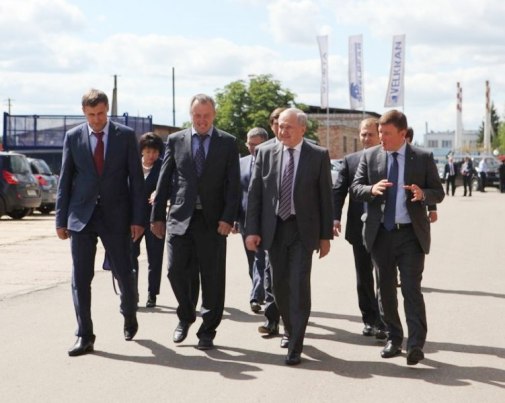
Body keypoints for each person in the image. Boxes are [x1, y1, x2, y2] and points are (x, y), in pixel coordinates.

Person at [350, 109, 444, 366]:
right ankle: (394, 337)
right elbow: (355, 188)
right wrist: (372, 189)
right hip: (380, 234)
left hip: (411, 235)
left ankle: (415, 345)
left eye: (387, 133)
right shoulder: (370, 156)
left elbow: (438, 191)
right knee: (386, 289)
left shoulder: (422, 158)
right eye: (380, 133)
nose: (382, 138)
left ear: (403, 134)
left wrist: (423, 194)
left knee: (411, 289)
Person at [56, 88, 145, 356]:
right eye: (91, 114)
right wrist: (61, 219)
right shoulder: (73, 137)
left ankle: (129, 312)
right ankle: (84, 335)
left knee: (124, 272)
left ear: (108, 110)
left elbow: (136, 180)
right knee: (80, 278)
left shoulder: (125, 136)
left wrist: (138, 218)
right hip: (81, 216)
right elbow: (65, 179)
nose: (97, 119)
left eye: (101, 113)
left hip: (116, 216)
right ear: (84, 112)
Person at [151, 94, 240, 351]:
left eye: (206, 116)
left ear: (214, 115)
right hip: (180, 218)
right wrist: (157, 216)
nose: (201, 121)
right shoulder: (176, 140)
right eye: (197, 116)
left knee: (212, 277)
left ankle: (207, 330)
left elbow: (233, 185)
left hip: (213, 221)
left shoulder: (227, 142)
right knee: (175, 270)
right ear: (191, 115)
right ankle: (186, 314)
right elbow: (164, 179)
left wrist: (228, 218)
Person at [245, 107, 333, 366]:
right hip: (275, 229)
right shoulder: (265, 152)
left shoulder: (317, 155)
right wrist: (252, 230)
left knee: (298, 284)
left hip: (302, 230)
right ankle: (289, 327)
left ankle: (295, 343)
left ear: (302, 129)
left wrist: (325, 236)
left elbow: (325, 199)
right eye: (280, 126)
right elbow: (255, 194)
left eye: (288, 127)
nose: (282, 131)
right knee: (278, 286)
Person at [333, 118, 386, 339]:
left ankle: (384, 321)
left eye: (370, 134)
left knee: (384, 277)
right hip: (359, 229)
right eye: (363, 134)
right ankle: (369, 320)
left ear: (379, 135)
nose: (366, 138)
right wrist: (334, 218)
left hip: (384, 229)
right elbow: (338, 191)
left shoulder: (388, 159)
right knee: (363, 277)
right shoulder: (351, 160)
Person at [235, 127, 269, 313]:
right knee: (252, 261)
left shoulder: (273, 161)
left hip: (267, 219)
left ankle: (255, 296)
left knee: (261, 258)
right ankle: (261, 291)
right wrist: (234, 218)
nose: (253, 148)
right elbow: (235, 192)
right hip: (245, 219)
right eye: (250, 144)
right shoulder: (241, 163)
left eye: (257, 145)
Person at [132, 132, 166, 308]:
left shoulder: (163, 166)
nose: (152, 155)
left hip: (155, 219)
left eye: (155, 152)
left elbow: (172, 185)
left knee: (155, 257)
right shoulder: (133, 166)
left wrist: (159, 193)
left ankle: (152, 294)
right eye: (148, 152)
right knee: (131, 256)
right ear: (142, 151)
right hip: (134, 219)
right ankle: (132, 292)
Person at [406, 128, 438, 223]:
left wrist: (432, 209)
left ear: (408, 139)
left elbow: (430, 184)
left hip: (416, 210)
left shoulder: (420, 158)